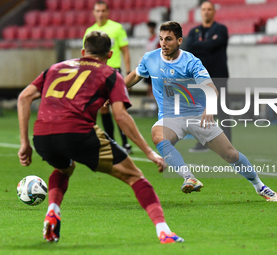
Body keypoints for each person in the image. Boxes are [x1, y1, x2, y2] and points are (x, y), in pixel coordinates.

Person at [17, 31, 184, 244]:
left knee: (64, 168)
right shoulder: (109, 73)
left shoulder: (55, 68)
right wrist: (148, 151)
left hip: (42, 137)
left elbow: (24, 97)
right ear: (110, 54)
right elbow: (121, 117)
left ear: (83, 51)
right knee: (135, 177)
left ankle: (52, 210)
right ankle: (164, 231)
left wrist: (24, 143)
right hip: (77, 132)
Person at [124, 21, 277, 202]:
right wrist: (116, 91)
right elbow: (136, 75)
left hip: (197, 115)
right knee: (158, 135)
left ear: (179, 40)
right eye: (161, 39)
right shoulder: (150, 58)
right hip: (170, 117)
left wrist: (209, 108)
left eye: (168, 39)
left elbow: (211, 88)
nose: (163, 43)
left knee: (230, 154)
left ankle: (259, 186)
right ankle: (188, 177)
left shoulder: (191, 62)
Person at [83, 0, 132, 154]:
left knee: (119, 108)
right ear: (93, 13)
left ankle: (125, 142)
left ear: (107, 12)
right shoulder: (89, 31)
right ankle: (112, 142)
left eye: (103, 11)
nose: (100, 14)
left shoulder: (116, 28)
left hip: (114, 71)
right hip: (97, 73)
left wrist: (129, 71)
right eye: (97, 11)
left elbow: (125, 51)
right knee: (103, 109)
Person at [186, 0, 231, 152]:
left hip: (219, 76)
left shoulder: (221, 29)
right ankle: (203, 143)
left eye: (209, 9)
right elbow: (189, 48)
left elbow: (214, 45)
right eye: (203, 9)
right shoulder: (194, 32)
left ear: (214, 11)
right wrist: (207, 45)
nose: (206, 12)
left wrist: (202, 47)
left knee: (223, 110)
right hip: (200, 78)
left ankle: (227, 145)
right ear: (200, 12)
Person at [144, 21, 161, 97]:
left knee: (154, 84)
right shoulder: (148, 39)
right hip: (148, 64)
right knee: (148, 84)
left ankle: (154, 101)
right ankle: (150, 101)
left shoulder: (157, 39)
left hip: (155, 64)